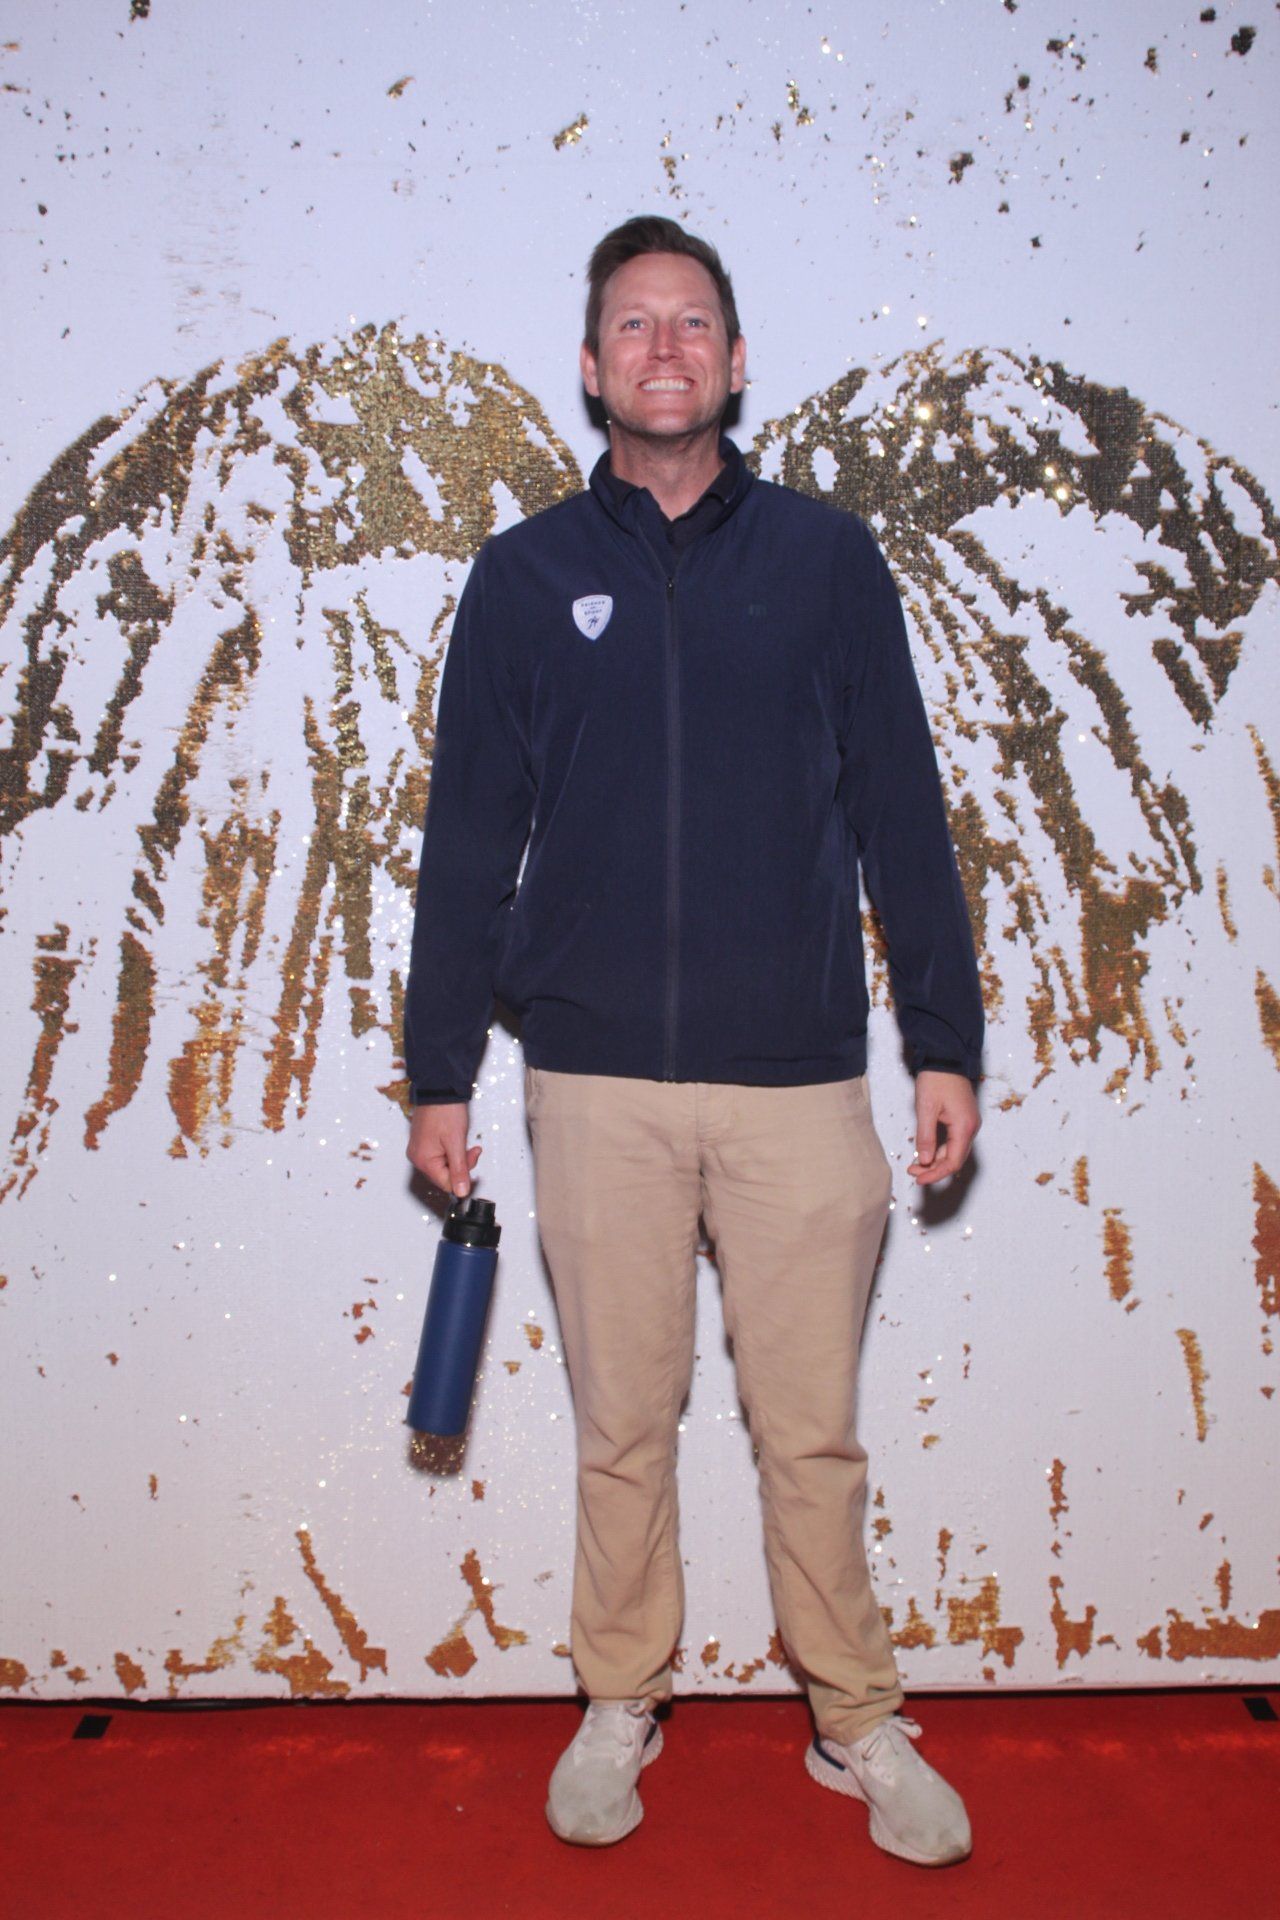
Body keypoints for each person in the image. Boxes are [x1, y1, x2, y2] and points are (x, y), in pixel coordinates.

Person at [404, 216, 984, 1868]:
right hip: (594, 1083)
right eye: (634, 325)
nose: (665, 348)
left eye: (693, 323)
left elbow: (903, 809)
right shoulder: (522, 580)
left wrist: (943, 1036)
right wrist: (438, 1067)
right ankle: (619, 1697)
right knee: (622, 1429)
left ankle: (853, 1717)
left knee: (810, 1433)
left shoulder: (830, 562)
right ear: (593, 369)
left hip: (799, 1079)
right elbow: (468, 838)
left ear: (734, 360)